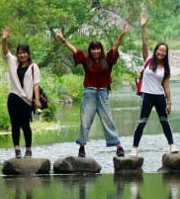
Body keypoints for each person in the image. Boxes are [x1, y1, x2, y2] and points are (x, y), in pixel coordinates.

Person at [54, 21, 130, 158]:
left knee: (108, 120)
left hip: (103, 92)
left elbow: (115, 47)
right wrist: (63, 40)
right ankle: (82, 147)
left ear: (101, 49)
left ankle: (118, 146)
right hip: (89, 93)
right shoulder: (86, 60)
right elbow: (75, 50)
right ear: (90, 50)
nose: (96, 51)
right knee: (85, 120)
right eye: (93, 49)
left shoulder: (108, 59)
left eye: (98, 49)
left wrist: (121, 35)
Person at [132, 13, 176, 155]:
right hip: (147, 95)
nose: (161, 53)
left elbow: (167, 87)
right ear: (156, 50)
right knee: (142, 122)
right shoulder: (148, 60)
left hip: (159, 96)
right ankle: (134, 148)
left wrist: (169, 102)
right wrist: (143, 27)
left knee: (164, 121)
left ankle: (172, 145)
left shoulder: (165, 68)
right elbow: (144, 43)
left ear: (166, 54)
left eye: (164, 51)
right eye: (159, 50)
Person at [1, 28, 41, 158]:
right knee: (15, 124)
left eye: (24, 53)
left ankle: (28, 149)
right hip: (13, 97)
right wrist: (4, 40)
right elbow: (6, 53)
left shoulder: (33, 67)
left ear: (28, 54)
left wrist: (37, 99)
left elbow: (36, 83)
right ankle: (17, 149)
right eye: (20, 53)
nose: (22, 55)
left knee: (25, 125)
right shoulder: (13, 62)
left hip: (26, 100)